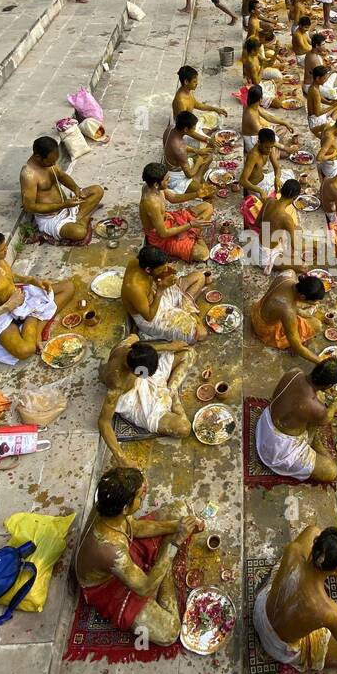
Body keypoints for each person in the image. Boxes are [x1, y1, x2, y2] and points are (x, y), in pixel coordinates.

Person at [72, 468, 202, 646]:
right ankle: (164, 569)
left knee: (181, 510)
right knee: (170, 632)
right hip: (108, 584)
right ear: (125, 508)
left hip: (122, 557)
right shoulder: (111, 550)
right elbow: (145, 588)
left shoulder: (108, 504)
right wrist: (175, 543)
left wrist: (177, 526)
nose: (144, 495)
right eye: (140, 497)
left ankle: (162, 564)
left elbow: (135, 528)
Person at [254, 525, 337, 673]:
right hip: (276, 646)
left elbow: (311, 556)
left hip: (261, 610)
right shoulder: (328, 611)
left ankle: (326, 557)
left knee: (312, 529)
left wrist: (332, 566)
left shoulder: (293, 550)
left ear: (315, 543)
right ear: (336, 569)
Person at [0, 229, 81, 365]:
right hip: (2, 314)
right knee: (25, 350)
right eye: (2, 249)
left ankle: (32, 319)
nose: (6, 249)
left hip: (20, 298)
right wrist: (7, 306)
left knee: (68, 287)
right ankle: (33, 318)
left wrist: (31, 280)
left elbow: (9, 276)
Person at [97, 336, 195, 466]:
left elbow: (136, 341)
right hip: (134, 400)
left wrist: (169, 346)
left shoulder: (129, 348)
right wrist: (122, 458)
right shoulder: (117, 383)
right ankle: (173, 395)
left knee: (189, 353)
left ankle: (171, 389)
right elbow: (103, 422)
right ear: (137, 373)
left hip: (143, 375)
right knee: (183, 428)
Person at [257, 360, 337, 484]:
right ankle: (312, 443)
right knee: (331, 471)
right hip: (276, 449)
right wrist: (334, 406)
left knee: (319, 401)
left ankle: (311, 442)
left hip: (266, 423)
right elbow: (326, 418)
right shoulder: (319, 410)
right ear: (328, 385)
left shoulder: (294, 372)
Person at [20, 136, 104, 243]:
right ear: (38, 157)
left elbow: (62, 176)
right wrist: (64, 205)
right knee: (79, 233)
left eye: (55, 161)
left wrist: (76, 189)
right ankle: (82, 219)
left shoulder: (50, 162)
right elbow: (29, 207)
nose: (54, 164)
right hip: (51, 218)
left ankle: (78, 218)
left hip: (67, 206)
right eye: (50, 162)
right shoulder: (29, 175)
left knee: (97, 190)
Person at [122, 245, 208, 344]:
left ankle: (184, 308)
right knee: (202, 334)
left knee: (199, 277)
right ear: (148, 270)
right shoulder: (134, 288)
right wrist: (161, 289)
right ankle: (188, 311)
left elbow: (155, 277)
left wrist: (164, 274)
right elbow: (149, 317)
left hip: (158, 296)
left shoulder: (138, 261)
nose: (165, 270)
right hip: (154, 318)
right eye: (161, 269)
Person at [139, 161, 214, 263]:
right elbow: (163, 233)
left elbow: (173, 198)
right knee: (204, 254)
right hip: (163, 238)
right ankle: (196, 236)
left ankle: (192, 233)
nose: (169, 181)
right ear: (156, 184)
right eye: (167, 179)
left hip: (170, 219)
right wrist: (190, 225)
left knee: (208, 207)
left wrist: (197, 194)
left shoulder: (153, 186)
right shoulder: (152, 203)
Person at [250, 269, 326, 361]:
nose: (316, 303)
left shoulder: (289, 274)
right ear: (302, 297)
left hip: (258, 309)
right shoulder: (288, 311)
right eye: (314, 301)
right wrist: (320, 361)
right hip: (264, 328)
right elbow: (297, 346)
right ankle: (285, 345)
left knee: (306, 315)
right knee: (316, 325)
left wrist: (302, 309)